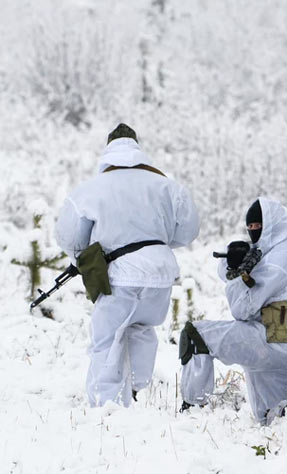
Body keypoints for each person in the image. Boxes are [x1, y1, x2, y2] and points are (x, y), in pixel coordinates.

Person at [55, 123, 200, 407]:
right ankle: (136, 389)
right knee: (142, 329)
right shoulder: (166, 185)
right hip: (159, 275)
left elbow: (69, 236)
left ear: (108, 149)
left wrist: (84, 259)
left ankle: (106, 406)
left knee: (107, 340)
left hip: (117, 276)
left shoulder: (91, 189)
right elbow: (188, 231)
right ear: (137, 147)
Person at [180, 197, 287, 424]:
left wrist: (235, 272)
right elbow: (240, 265)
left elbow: (242, 308)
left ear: (270, 224)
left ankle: (192, 412)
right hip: (286, 339)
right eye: (250, 228)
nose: (254, 232)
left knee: (195, 335)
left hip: (281, 336)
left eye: (257, 227)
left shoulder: (281, 257)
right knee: (276, 422)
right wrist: (233, 259)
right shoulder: (281, 245)